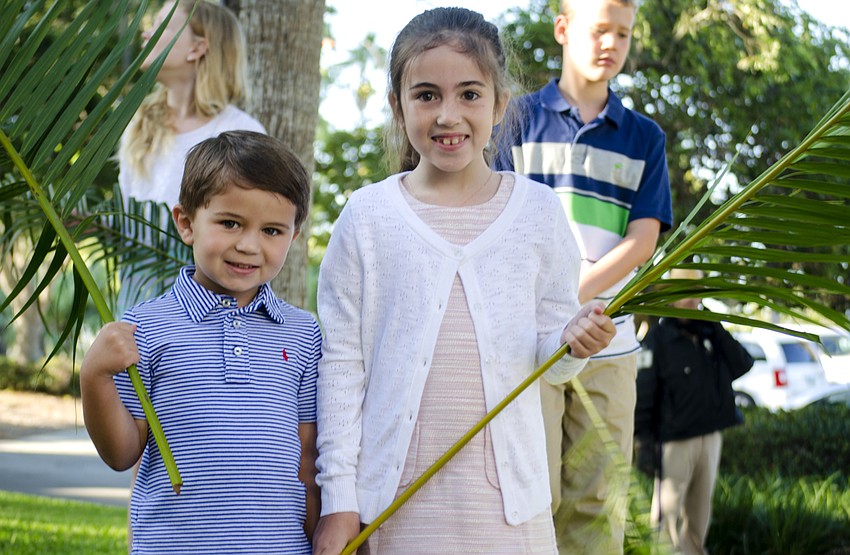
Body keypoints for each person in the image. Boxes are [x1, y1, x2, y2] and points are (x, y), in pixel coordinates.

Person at [311, 8, 616, 555]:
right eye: (426, 95)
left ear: (500, 105)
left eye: (470, 95)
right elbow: (341, 370)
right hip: (393, 511)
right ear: (397, 106)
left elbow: (552, 354)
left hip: (507, 516)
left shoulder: (539, 213)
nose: (448, 115)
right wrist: (338, 502)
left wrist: (576, 344)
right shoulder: (366, 216)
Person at [80, 131, 319, 555]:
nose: (249, 245)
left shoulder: (303, 333)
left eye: (272, 230)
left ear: (294, 238)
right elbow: (121, 453)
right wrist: (94, 375)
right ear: (187, 223)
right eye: (230, 223)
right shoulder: (145, 329)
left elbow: (306, 456)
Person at [493, 0, 673, 552]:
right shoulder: (514, 118)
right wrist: (551, 306)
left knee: (597, 502)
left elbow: (642, 240)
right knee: (530, 492)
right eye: (600, 30)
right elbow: (495, 218)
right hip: (529, 341)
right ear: (564, 29)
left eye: (622, 34)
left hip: (610, 340)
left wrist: (576, 294)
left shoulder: (644, 136)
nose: (611, 44)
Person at [116, 0, 265, 310]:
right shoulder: (138, 127)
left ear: (197, 48)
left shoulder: (240, 131)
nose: (147, 33)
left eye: (162, 25)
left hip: (211, 311)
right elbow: (127, 224)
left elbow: (249, 232)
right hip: (138, 303)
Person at [634, 269, 753, 554]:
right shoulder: (659, 338)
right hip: (675, 441)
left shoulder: (708, 331)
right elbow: (646, 394)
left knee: (698, 522)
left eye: (696, 291)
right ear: (671, 296)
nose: (691, 299)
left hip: (710, 436)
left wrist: (717, 327)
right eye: (684, 291)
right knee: (666, 525)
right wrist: (644, 443)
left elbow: (743, 365)